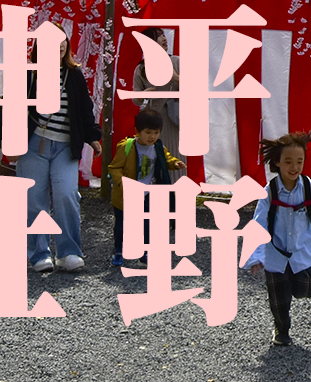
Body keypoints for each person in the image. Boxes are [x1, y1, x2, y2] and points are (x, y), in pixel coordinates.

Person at [245, 131, 311, 345]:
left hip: (302, 250)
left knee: (306, 288)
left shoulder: (310, 188)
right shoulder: (269, 192)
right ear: (278, 162)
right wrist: (256, 256)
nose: (294, 167)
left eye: (299, 161)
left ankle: (303, 285)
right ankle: (281, 331)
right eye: (288, 161)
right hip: (275, 253)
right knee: (279, 299)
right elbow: (258, 223)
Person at [17, 33, 103, 273]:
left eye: (63, 47)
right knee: (35, 198)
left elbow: (85, 108)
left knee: (67, 195)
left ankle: (69, 252)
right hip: (33, 144)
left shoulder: (73, 75)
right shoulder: (28, 73)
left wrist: (93, 137)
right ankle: (38, 253)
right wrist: (7, 141)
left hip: (65, 146)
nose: (59, 50)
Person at [106, 108, 188, 268]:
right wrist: (122, 183)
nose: (152, 137)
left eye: (156, 133)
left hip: (147, 193)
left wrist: (175, 163)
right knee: (122, 225)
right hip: (125, 195)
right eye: (148, 132)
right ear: (137, 131)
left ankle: (144, 252)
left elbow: (166, 158)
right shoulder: (126, 147)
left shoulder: (157, 147)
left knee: (147, 224)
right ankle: (119, 251)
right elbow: (114, 167)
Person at [131, 27, 181, 142]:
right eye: (159, 35)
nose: (164, 38)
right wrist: (143, 94)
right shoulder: (141, 68)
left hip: (174, 117)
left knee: (174, 157)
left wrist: (176, 78)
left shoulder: (176, 62)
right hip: (152, 120)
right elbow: (135, 99)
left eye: (164, 34)